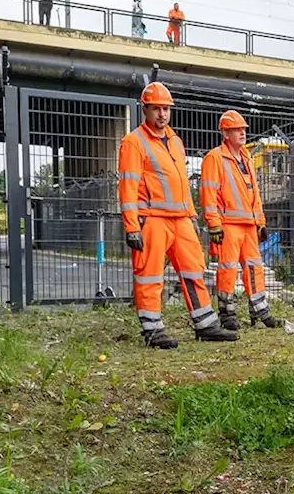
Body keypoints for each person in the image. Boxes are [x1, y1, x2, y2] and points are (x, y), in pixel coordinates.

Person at [118, 82, 238, 348]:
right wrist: (131, 227)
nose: (162, 114)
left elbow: (182, 181)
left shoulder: (175, 140)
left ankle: (206, 325)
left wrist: (192, 215)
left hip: (180, 219)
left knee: (194, 269)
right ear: (145, 110)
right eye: (156, 109)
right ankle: (153, 330)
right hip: (151, 218)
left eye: (166, 109)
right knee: (150, 274)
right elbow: (127, 185)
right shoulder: (133, 142)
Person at [200, 110, 283, 331]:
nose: (242, 133)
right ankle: (227, 314)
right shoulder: (214, 158)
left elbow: (254, 193)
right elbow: (208, 194)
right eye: (237, 129)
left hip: (248, 225)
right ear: (225, 133)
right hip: (228, 224)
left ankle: (260, 310)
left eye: (243, 129)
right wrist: (214, 224)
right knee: (227, 269)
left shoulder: (246, 158)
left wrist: (260, 221)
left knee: (255, 268)